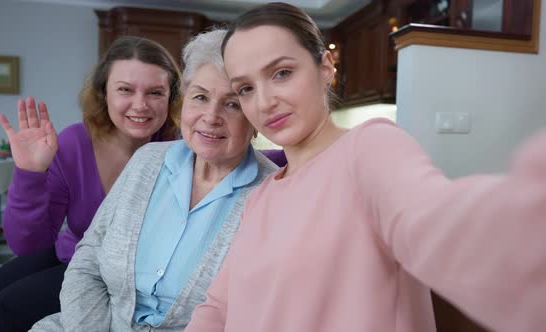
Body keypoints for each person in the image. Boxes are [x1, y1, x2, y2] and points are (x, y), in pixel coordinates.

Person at [185, 3, 546, 332]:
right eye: (245, 88)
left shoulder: (370, 147)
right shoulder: (260, 197)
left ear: (324, 68)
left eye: (281, 73)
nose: (264, 102)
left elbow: (440, 222)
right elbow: (218, 306)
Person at [30, 28, 279, 332]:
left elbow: (261, 313)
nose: (211, 116)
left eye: (232, 104)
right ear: (184, 103)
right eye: (200, 97)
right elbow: (87, 261)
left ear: (256, 119)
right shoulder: (147, 159)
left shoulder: (273, 193)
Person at [0, 36, 182, 332]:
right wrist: (29, 173)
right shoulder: (75, 142)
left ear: (171, 98)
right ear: (104, 93)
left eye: (155, 92)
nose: (140, 105)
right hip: (70, 253)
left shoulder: (180, 149)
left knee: (1, 314)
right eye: (125, 89)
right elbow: (29, 244)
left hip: (119, 273)